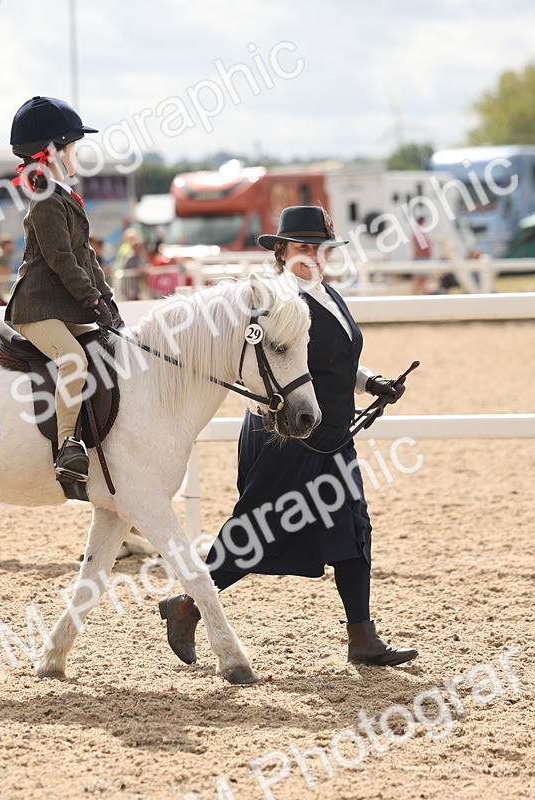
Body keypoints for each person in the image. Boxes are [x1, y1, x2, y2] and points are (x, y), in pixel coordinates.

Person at [157, 206, 418, 668]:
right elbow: (277, 366)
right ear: (280, 252)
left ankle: (362, 636)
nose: (313, 256)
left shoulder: (328, 295)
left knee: (354, 527)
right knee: (258, 529)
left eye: (321, 248)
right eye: (302, 247)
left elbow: (332, 363)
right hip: (285, 434)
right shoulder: (276, 300)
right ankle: (187, 606)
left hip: (333, 432)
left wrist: (371, 382)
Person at [3, 95, 118, 485]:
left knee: (112, 351)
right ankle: (69, 444)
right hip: (36, 308)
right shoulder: (46, 202)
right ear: (52, 151)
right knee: (72, 359)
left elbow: (85, 256)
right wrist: (91, 299)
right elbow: (62, 260)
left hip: (63, 308)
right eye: (72, 147)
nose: (76, 155)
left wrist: (108, 301)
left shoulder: (62, 195)